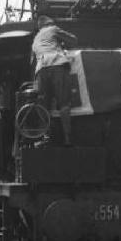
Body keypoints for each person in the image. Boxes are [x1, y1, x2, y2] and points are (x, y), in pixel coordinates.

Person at [31, 15, 78, 146]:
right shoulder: (53, 29)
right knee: (64, 104)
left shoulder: (35, 41)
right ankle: (68, 138)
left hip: (41, 69)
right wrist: (62, 44)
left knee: (44, 105)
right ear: (48, 24)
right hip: (57, 64)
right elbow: (74, 40)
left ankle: (46, 137)